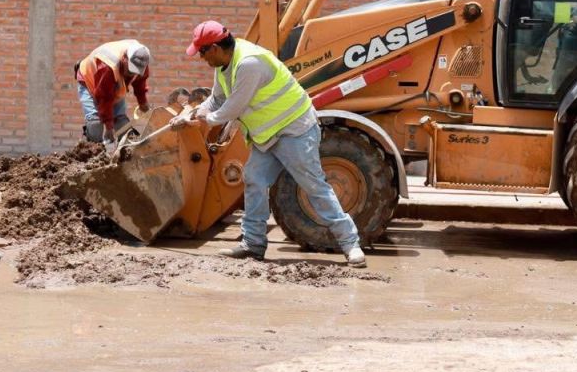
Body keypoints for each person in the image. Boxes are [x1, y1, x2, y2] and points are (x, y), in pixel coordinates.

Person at [174, 20, 366, 268]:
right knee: (254, 179)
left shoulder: (249, 63)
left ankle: (351, 245)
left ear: (214, 48)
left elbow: (234, 107)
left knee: (313, 186)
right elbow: (217, 99)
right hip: (267, 136)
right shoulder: (223, 67)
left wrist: (205, 120)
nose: (201, 58)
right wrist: (191, 113)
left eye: (201, 52)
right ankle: (253, 245)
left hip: (294, 130)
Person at [75, 39, 151, 146]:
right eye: (129, 71)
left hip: (112, 84)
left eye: (134, 72)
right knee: (95, 123)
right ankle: (91, 154)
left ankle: (127, 155)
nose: (131, 75)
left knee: (122, 124)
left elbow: (140, 81)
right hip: (89, 80)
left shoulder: (141, 59)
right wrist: (109, 127)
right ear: (125, 59)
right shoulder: (108, 67)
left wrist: (143, 103)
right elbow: (104, 98)